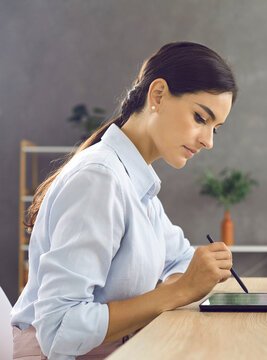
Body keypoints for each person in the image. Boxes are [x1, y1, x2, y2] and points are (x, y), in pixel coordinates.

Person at [11, 41, 238, 359]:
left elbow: (183, 259)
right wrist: (177, 292)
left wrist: (178, 286)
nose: (208, 141)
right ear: (157, 95)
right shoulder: (100, 179)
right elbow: (59, 331)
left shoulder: (136, 181)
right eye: (201, 118)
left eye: (216, 128)